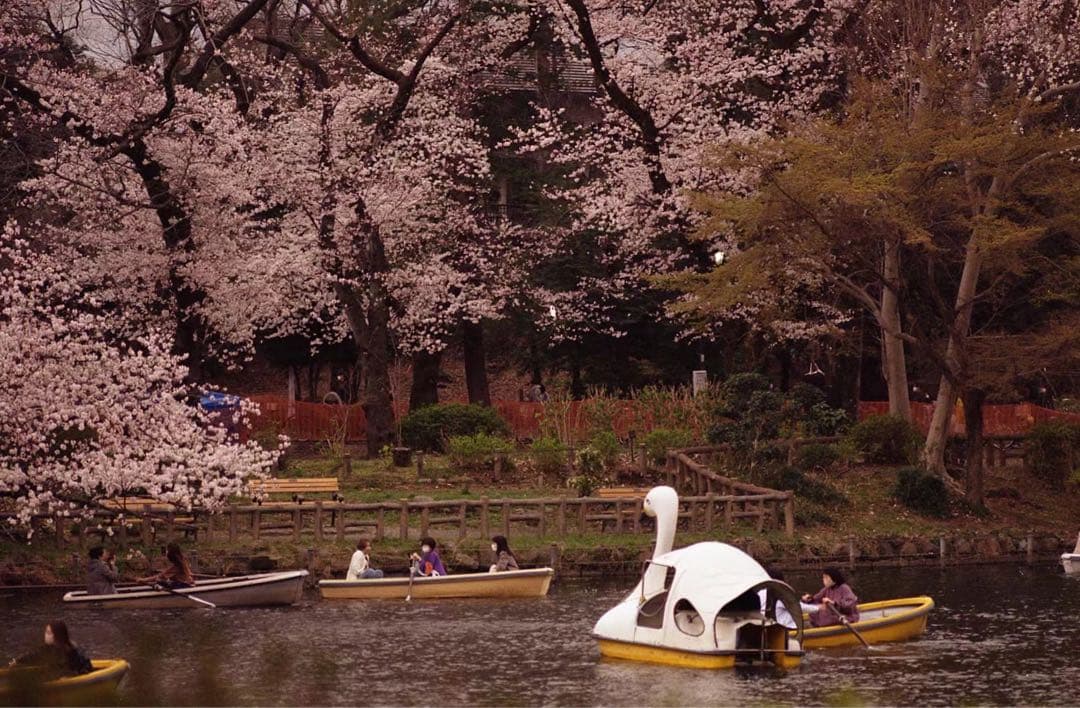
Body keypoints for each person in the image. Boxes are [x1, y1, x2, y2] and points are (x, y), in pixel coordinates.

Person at [9, 622, 92, 679]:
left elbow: (85, 667)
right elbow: (33, 656)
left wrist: (71, 677)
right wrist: (17, 661)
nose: (45, 636)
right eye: (46, 632)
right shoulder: (46, 650)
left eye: (49, 633)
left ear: (57, 635)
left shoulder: (71, 652)